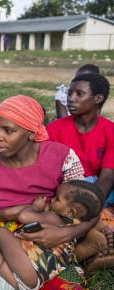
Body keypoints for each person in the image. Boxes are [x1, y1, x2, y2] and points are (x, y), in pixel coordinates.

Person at [0, 95, 94, 290]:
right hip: (0, 237)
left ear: (31, 133)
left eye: (8, 130)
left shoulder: (62, 157)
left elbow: (86, 209)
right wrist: (11, 212)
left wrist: (65, 233)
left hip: (49, 237)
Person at [0, 180, 103, 290]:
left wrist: (36, 207)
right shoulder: (75, 231)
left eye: (56, 199)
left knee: (0, 233)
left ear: (70, 211)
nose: (51, 200)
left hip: (29, 269)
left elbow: (24, 217)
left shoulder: (55, 218)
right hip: (31, 283)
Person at [48, 72, 114, 271]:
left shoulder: (109, 130)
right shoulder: (56, 129)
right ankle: (94, 248)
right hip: (67, 191)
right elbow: (52, 175)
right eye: (70, 93)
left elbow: (107, 177)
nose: (70, 98)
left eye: (79, 94)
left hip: (101, 192)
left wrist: (92, 207)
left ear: (98, 99)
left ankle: (94, 245)